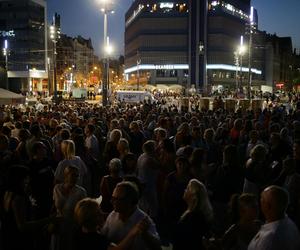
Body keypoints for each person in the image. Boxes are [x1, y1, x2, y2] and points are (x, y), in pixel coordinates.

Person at [101, 181, 162, 250]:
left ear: (130, 201)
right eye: (112, 197)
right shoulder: (112, 215)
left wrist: (145, 235)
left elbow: (157, 247)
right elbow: (103, 238)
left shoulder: (143, 220)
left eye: (117, 199)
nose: (111, 201)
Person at [248, 185, 300, 250]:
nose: (259, 201)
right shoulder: (291, 224)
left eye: (262, 198)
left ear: (268, 206)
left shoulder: (268, 238)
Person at [172, 179, 213, 250]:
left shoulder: (193, 217)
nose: (185, 190)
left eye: (188, 188)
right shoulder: (192, 213)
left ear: (193, 195)